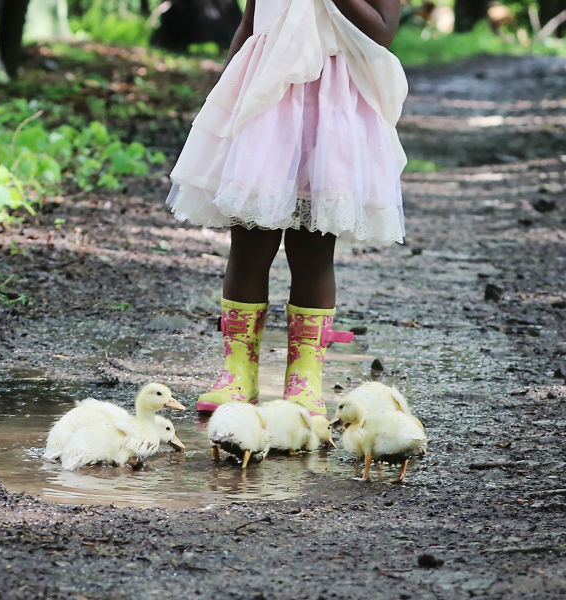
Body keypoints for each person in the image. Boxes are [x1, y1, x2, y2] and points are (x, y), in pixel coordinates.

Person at [167, 0, 408, 416]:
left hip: (332, 109)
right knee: (248, 245)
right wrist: (226, 101)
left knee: (313, 251)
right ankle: (237, 374)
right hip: (264, 108)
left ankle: (304, 381)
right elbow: (249, 24)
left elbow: (383, 32)